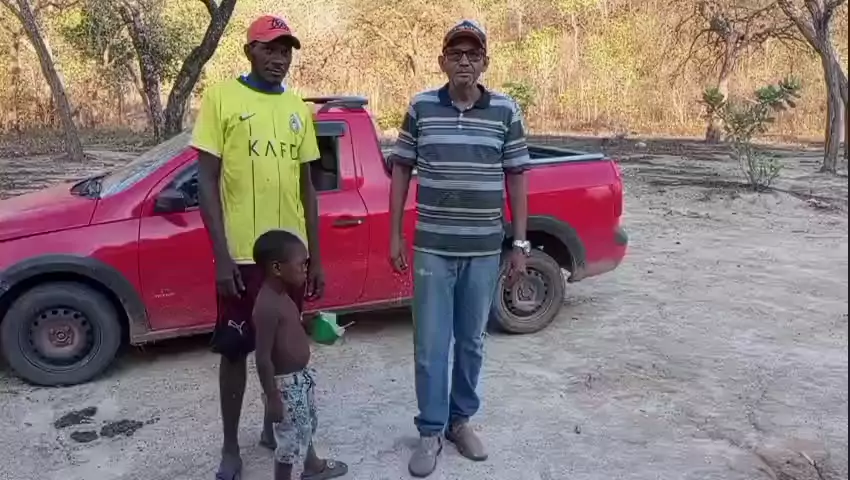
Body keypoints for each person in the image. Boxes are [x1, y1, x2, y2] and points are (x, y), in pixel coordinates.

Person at [387, 19, 533, 478]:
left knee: (471, 340)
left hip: (484, 250)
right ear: (442, 61)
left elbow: (517, 178)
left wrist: (519, 243)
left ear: (485, 62)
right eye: (456, 54)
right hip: (433, 247)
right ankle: (430, 430)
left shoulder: (505, 111)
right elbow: (401, 170)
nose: (464, 61)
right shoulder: (421, 107)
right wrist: (394, 234)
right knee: (430, 344)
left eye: (473, 54)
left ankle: (460, 421)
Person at [192, 14, 326, 480]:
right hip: (243, 259)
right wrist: (221, 255)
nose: (279, 58)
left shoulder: (297, 108)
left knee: (286, 351)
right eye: (270, 48)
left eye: (286, 50)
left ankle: (277, 430)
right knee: (235, 350)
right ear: (249, 51)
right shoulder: (221, 98)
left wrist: (315, 258)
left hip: (289, 261)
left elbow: (308, 189)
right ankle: (231, 447)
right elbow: (206, 182)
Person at [252, 229, 348, 480]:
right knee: (289, 445)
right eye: (301, 264)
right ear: (277, 268)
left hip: (299, 380)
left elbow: (289, 325)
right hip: (285, 386)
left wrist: (309, 324)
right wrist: (272, 397)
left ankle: (312, 466)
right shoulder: (266, 306)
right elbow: (262, 357)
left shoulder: (283, 296)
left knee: (304, 427)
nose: (306, 269)